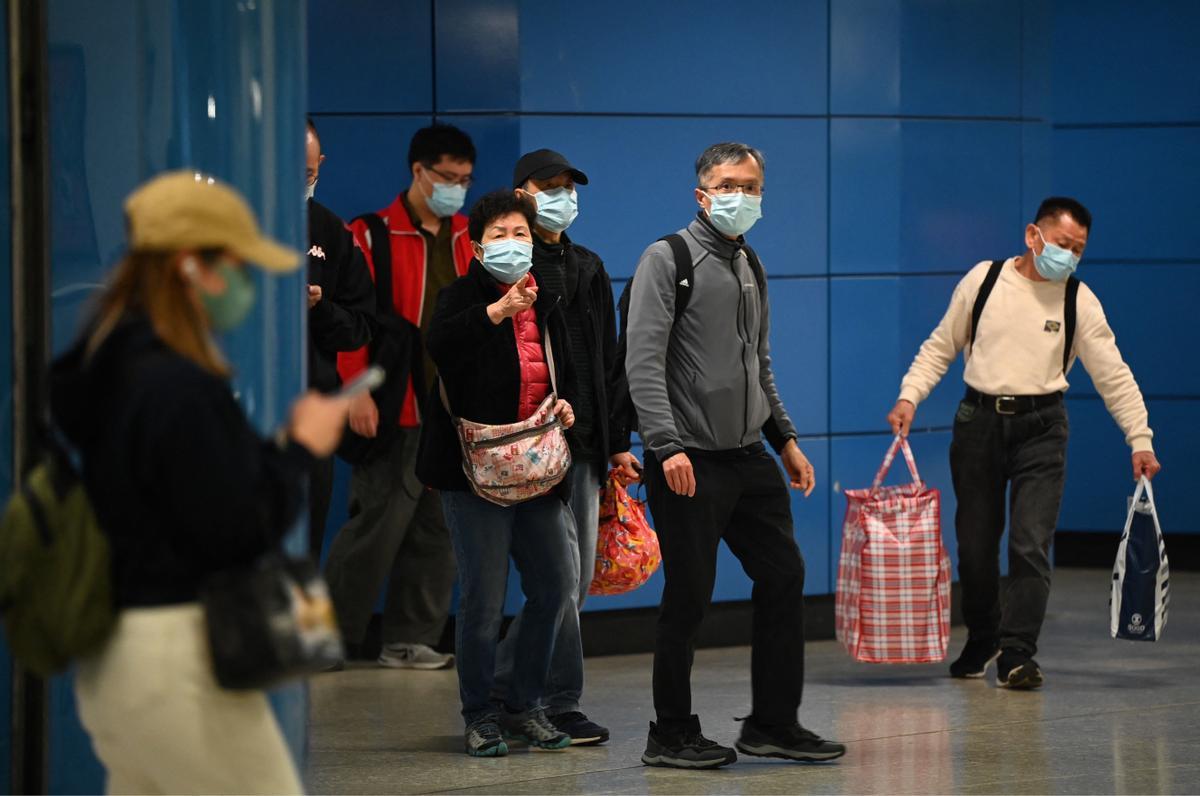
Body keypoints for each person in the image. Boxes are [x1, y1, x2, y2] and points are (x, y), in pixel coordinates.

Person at [50, 171, 350, 794]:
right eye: (235, 265)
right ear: (191, 268)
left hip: (119, 654)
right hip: (180, 660)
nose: (243, 284)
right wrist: (299, 449)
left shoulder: (107, 370)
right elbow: (237, 530)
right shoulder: (177, 388)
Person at [625, 142, 845, 769]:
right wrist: (664, 446)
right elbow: (642, 363)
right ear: (702, 193)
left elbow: (759, 364)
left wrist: (787, 441)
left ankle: (772, 724)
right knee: (690, 597)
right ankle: (669, 733)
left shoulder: (750, 261)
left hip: (750, 457)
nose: (740, 197)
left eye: (751, 187)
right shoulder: (666, 259)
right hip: (687, 458)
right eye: (728, 185)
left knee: (785, 576)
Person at [887, 196, 1161, 690]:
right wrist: (910, 397)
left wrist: (1139, 439)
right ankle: (984, 635)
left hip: (1043, 427)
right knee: (974, 546)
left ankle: (1017, 653)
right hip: (979, 423)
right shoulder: (985, 281)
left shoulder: (1079, 301)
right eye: (1062, 244)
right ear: (1033, 236)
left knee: (1030, 543)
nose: (1069, 257)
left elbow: (1114, 377)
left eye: (1078, 250)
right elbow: (940, 346)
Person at [417, 190, 578, 757]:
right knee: (484, 599)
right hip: (473, 474)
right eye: (501, 234)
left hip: (537, 468)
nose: (513, 244)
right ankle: (479, 714)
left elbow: (558, 372)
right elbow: (439, 348)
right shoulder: (459, 297)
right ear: (477, 244)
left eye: (521, 235)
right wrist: (496, 312)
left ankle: (523, 703)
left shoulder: (547, 299)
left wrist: (564, 405)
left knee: (555, 587)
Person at [488, 149, 639, 746]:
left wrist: (619, 443)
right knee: (557, 580)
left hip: (583, 445)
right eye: (547, 187)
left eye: (567, 188)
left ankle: (517, 687)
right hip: (523, 443)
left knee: (568, 584)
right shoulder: (506, 271)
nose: (561, 197)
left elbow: (610, 360)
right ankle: (551, 698)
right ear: (520, 192)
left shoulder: (588, 265)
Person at [325, 124, 475, 669]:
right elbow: (351, 319)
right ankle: (327, 637)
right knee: (376, 525)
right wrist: (355, 392)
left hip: (455, 409)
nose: (457, 187)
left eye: (464, 179)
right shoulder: (368, 235)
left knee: (441, 530)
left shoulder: (470, 236)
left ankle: (410, 638)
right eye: (447, 177)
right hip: (394, 405)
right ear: (418, 171)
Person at [305, 116, 376, 559]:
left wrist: (320, 306)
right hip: (240, 414)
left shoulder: (331, 231)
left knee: (303, 548)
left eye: (308, 174)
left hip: (312, 415)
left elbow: (359, 326)